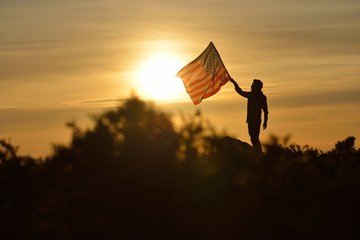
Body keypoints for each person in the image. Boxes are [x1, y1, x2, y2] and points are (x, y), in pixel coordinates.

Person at [230, 78, 268, 153]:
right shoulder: (250, 95)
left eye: (253, 85)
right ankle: (257, 152)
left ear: (257, 87)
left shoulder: (262, 97)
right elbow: (240, 92)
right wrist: (234, 82)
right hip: (250, 120)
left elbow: (266, 111)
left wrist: (265, 121)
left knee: (255, 138)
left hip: (256, 120)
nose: (251, 86)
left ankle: (259, 153)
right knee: (253, 138)